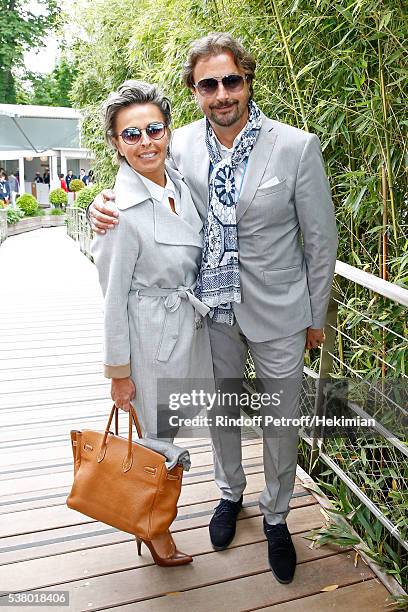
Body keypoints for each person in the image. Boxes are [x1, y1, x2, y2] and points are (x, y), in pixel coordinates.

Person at [89, 32, 338, 584]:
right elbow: (138, 178)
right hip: (211, 313)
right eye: (209, 84)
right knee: (221, 410)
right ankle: (231, 494)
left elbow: (321, 241)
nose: (222, 93)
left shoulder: (296, 147)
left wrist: (315, 317)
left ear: (248, 81)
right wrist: (100, 205)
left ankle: (277, 514)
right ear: (195, 91)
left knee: (280, 421)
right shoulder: (179, 147)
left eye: (232, 80)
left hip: (280, 312)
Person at [91, 80, 214, 567]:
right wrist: (118, 372)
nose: (146, 142)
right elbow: (111, 298)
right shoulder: (117, 212)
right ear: (116, 145)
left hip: (185, 326)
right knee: (156, 442)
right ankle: (155, 530)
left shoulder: (179, 183)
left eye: (154, 129)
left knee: (170, 433)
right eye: (131, 135)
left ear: (168, 131)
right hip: (148, 336)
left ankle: (155, 521)